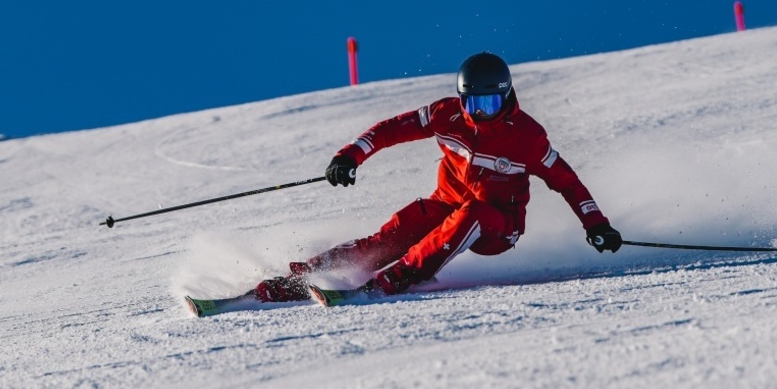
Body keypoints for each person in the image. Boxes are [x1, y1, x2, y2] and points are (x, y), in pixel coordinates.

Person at [254, 52, 622, 302]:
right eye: (471, 103)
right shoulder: (446, 115)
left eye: (488, 104)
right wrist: (350, 155)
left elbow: (567, 182)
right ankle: (301, 278)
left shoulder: (527, 137)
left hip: (498, 223)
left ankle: (396, 279)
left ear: (505, 97)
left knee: (471, 214)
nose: (478, 113)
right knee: (391, 235)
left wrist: (596, 224)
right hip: (446, 204)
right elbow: (391, 129)